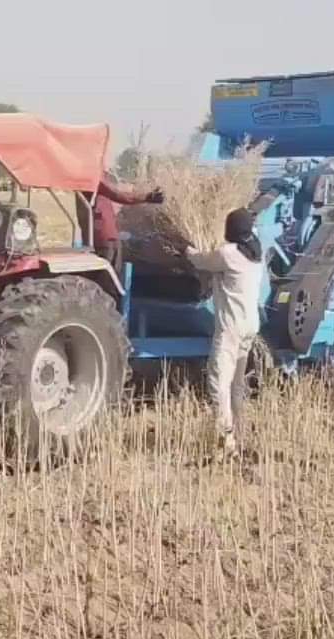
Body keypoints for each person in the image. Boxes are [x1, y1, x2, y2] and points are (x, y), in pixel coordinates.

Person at [184, 208, 265, 455]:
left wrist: (187, 249)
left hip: (232, 329)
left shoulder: (228, 254)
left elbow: (201, 261)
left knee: (219, 382)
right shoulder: (256, 253)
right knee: (237, 384)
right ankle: (240, 433)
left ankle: (226, 441)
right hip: (251, 326)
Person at [75, 171, 164, 272]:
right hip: (103, 241)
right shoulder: (91, 179)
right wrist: (149, 197)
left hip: (104, 239)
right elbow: (121, 196)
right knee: (107, 282)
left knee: (107, 280)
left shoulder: (89, 180)